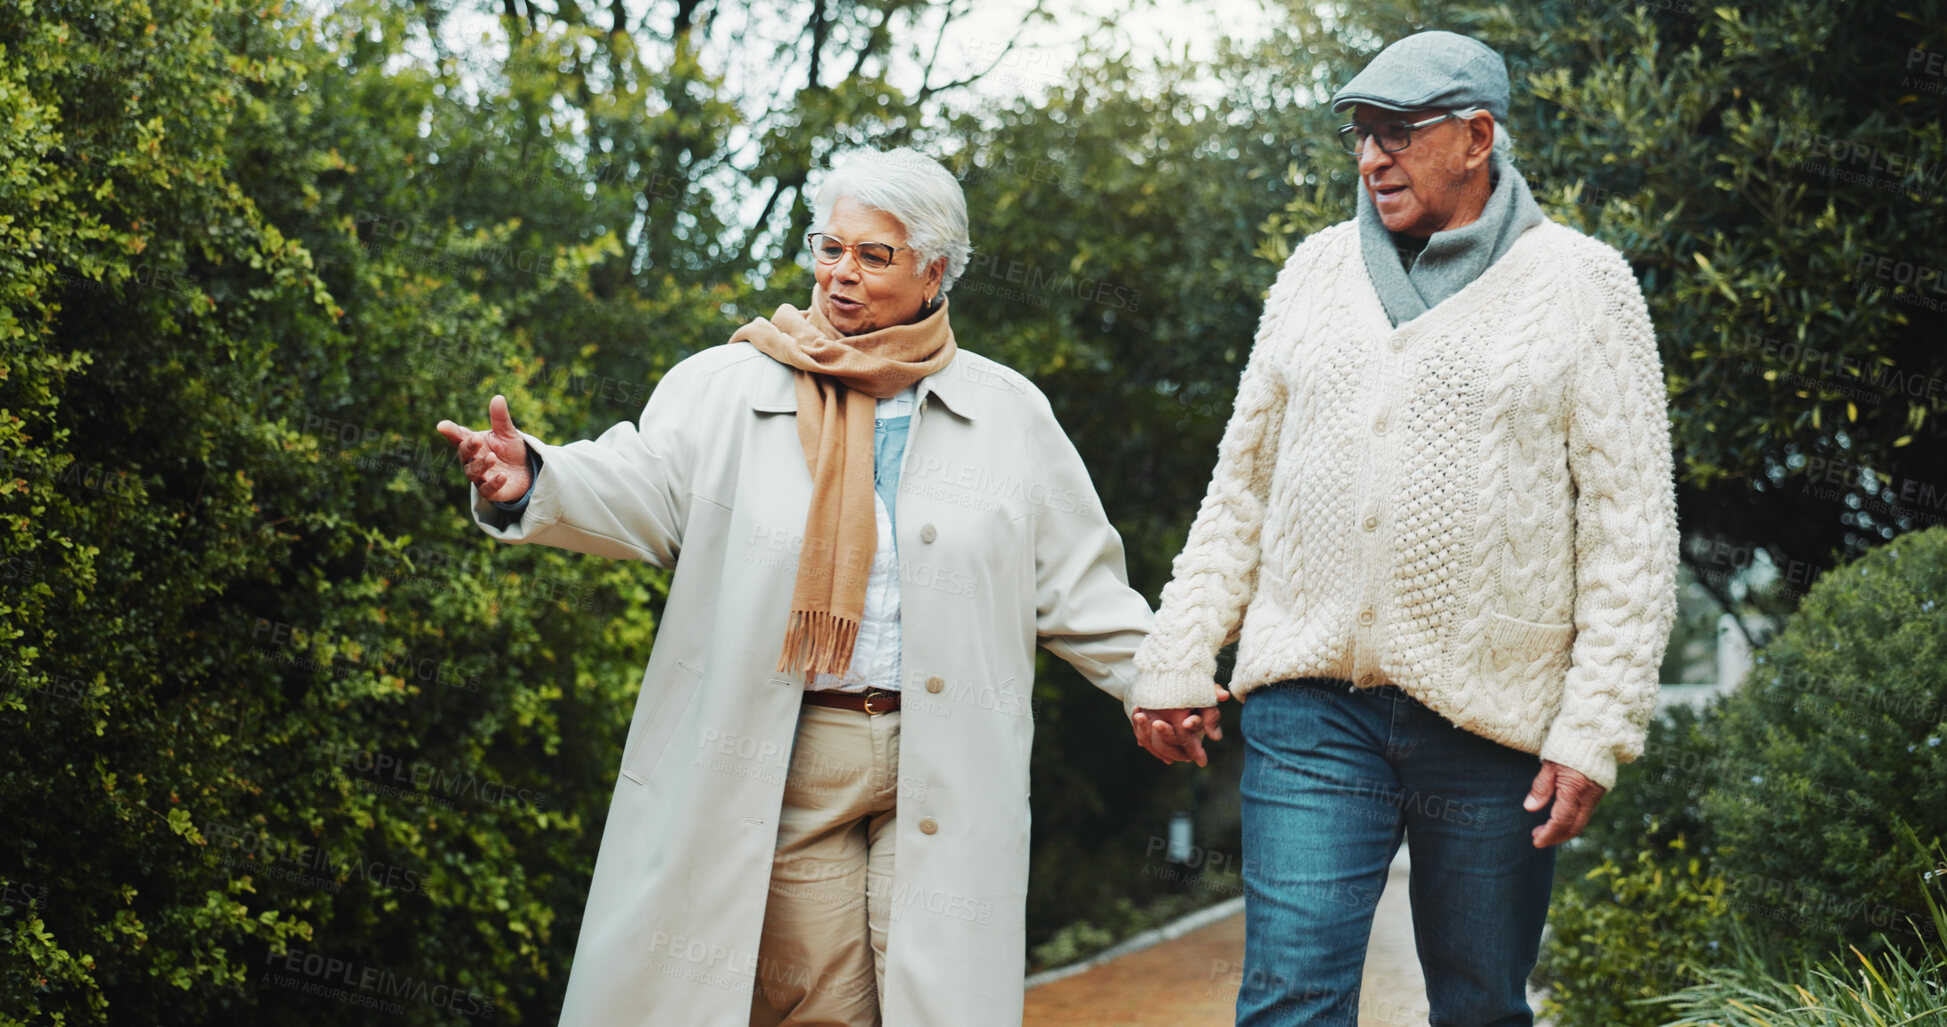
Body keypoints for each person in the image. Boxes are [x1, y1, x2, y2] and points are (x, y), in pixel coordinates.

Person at [436, 147, 1156, 1026]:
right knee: (824, 1004)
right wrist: (533, 478)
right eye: (829, 247)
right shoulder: (726, 386)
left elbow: (1079, 586)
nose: (841, 273)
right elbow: (638, 486)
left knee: (944, 1004)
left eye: (873, 255)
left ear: (935, 270)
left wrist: (1161, 684)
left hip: (949, 757)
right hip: (794, 755)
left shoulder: (1008, 412)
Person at [1127, 30, 1679, 1026]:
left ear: (1477, 136)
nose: (1371, 157)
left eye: (1397, 132)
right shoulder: (1314, 271)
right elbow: (1241, 487)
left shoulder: (1583, 284)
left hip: (1493, 718)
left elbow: (1630, 534)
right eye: (1359, 134)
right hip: (1311, 706)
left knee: (1479, 1005)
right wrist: (1175, 651)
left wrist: (1594, 728)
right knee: (1290, 996)